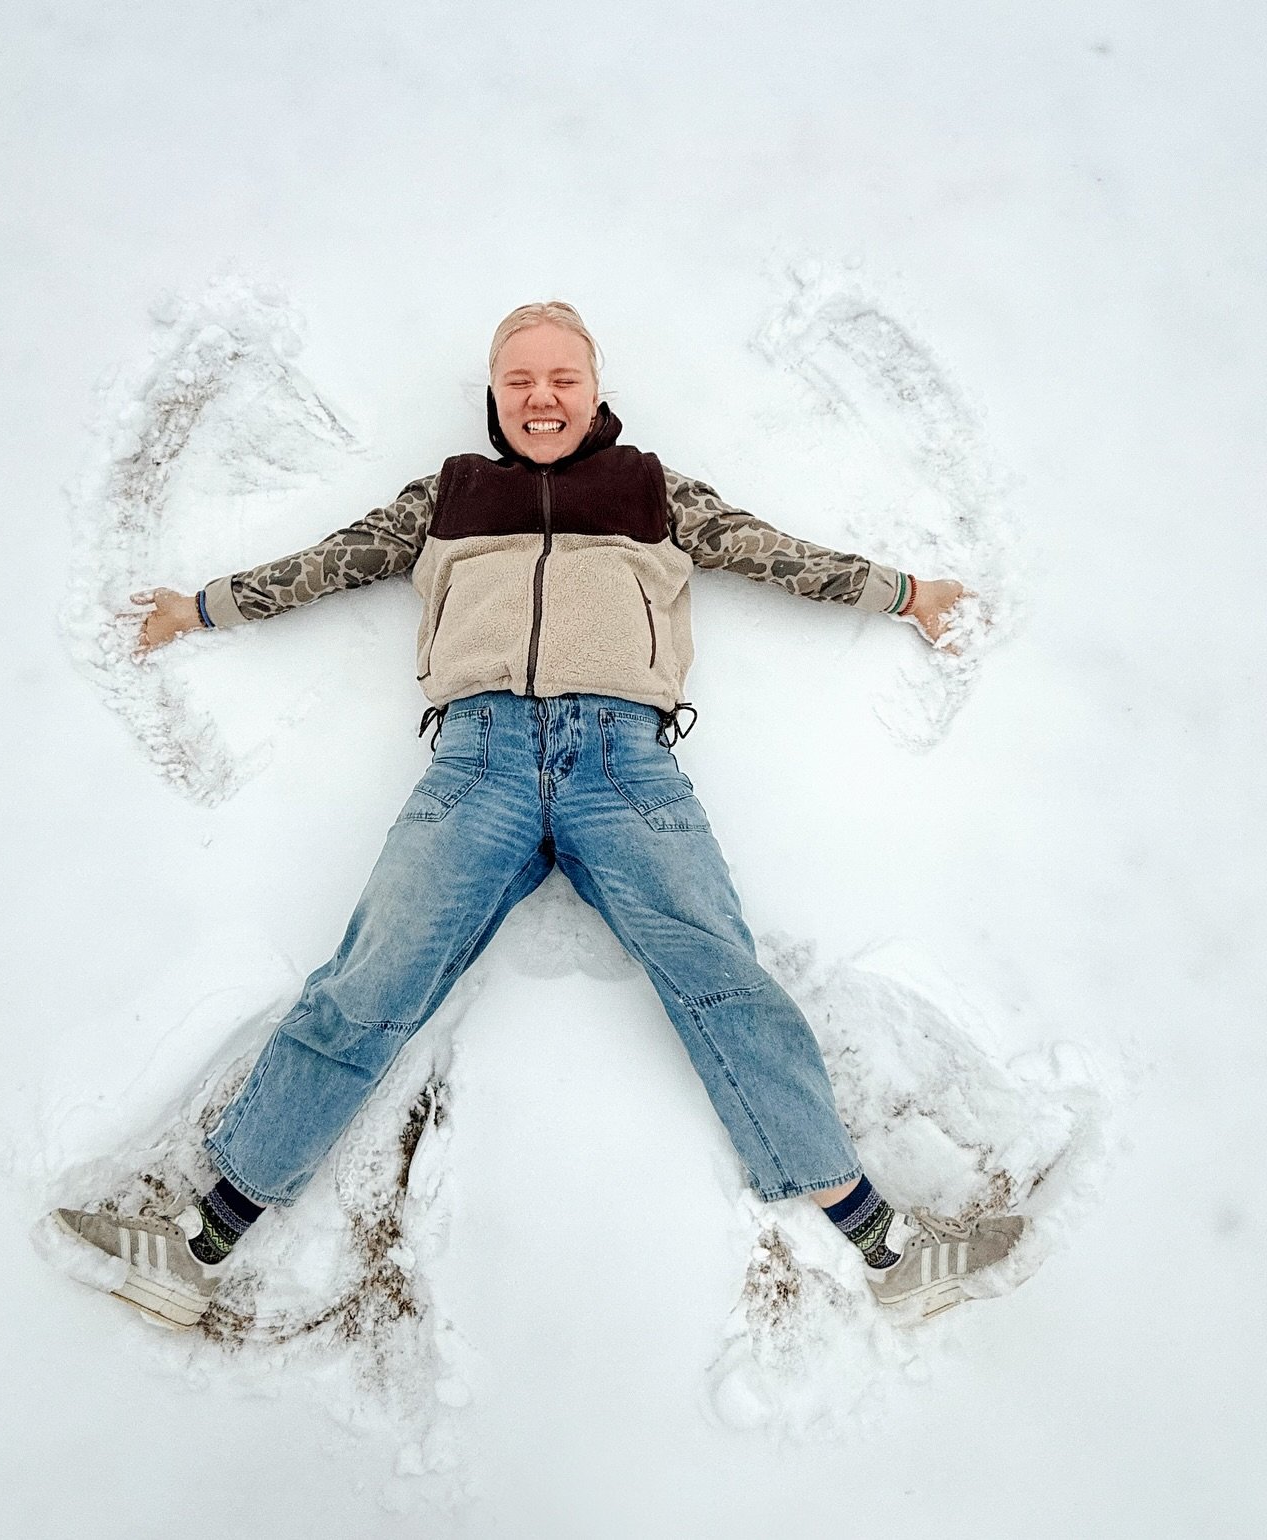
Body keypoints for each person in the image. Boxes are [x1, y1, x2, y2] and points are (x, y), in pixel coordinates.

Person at [51, 301, 1024, 1329]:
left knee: (724, 979)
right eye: (520, 380)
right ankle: (198, 1246)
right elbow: (326, 563)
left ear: (595, 391)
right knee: (370, 980)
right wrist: (198, 608)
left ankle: (887, 1248)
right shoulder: (449, 496)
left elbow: (773, 552)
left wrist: (908, 593)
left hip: (624, 765)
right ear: (494, 394)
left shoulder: (653, 489)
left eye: (563, 378)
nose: (542, 398)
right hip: (481, 765)